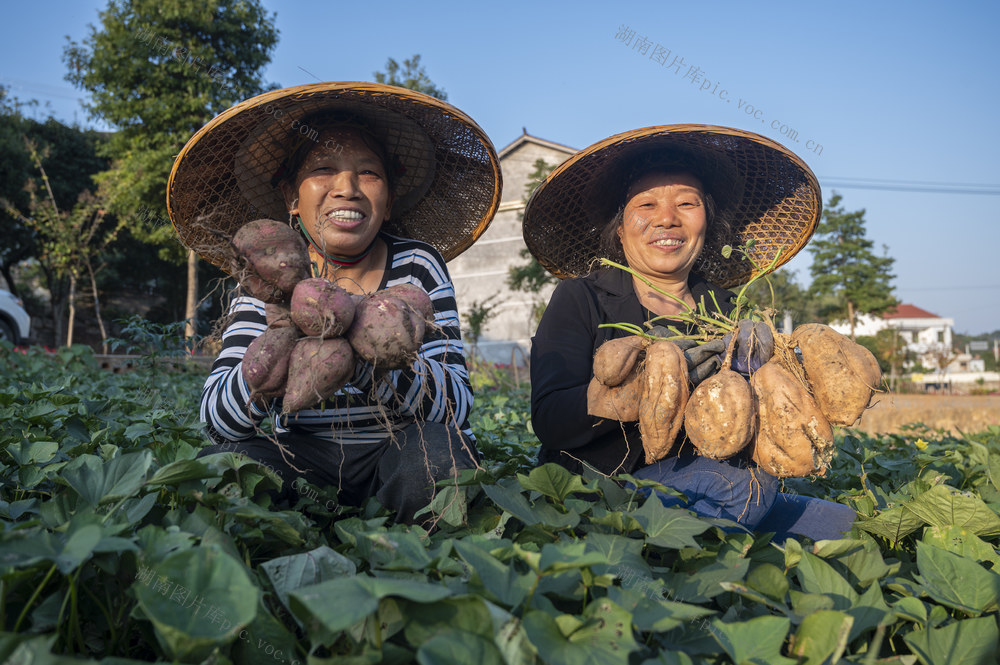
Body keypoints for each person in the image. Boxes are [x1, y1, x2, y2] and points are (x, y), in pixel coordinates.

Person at [166, 82, 502, 525]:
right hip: (301, 455)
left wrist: (366, 359)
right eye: (323, 168)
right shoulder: (268, 276)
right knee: (223, 467)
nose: (347, 188)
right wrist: (283, 342)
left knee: (442, 456)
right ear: (291, 196)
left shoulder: (418, 263)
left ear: (390, 198)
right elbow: (218, 420)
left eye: (369, 173)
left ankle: (408, 544)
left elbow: (457, 405)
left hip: (398, 452)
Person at [523, 125, 856, 541]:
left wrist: (789, 379)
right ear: (620, 226)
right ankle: (686, 563)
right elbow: (550, 420)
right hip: (609, 493)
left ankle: (719, 555)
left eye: (687, 203)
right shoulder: (582, 297)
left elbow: (756, 423)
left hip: (709, 484)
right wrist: (645, 388)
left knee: (842, 526)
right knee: (744, 487)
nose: (667, 218)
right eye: (646, 204)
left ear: (707, 221)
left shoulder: (726, 308)